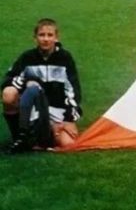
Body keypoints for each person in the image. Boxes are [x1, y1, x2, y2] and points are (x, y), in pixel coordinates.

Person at [2, 18, 82, 153]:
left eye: (50, 35)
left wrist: (69, 119)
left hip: (57, 110)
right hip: (34, 107)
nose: (45, 39)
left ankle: (45, 133)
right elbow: (7, 80)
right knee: (8, 93)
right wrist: (28, 80)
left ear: (56, 38)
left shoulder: (65, 58)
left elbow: (74, 91)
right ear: (35, 38)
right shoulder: (27, 57)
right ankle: (19, 137)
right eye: (41, 35)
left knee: (68, 144)